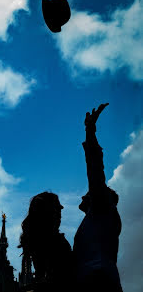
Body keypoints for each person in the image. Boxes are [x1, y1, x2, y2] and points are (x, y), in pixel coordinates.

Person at [74, 103, 123, 292]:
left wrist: (90, 131)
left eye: (90, 193)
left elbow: (95, 169)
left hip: (97, 280)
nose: (83, 195)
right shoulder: (98, 217)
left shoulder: (102, 208)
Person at [18, 192, 74, 292]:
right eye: (57, 209)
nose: (60, 214)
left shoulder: (36, 239)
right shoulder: (53, 241)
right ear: (47, 213)